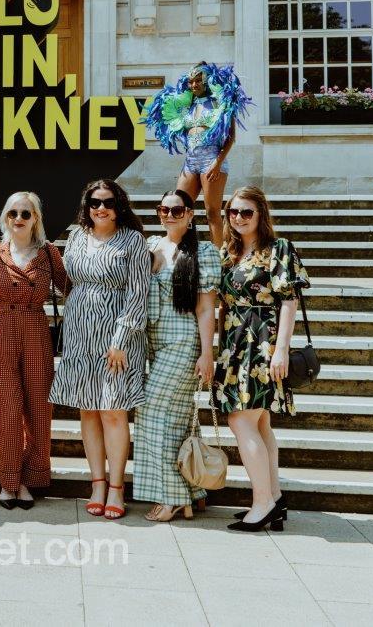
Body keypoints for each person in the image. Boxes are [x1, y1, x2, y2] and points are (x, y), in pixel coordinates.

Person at [49, 179, 149, 520]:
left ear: (119, 205)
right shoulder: (77, 236)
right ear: (86, 205)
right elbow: (66, 283)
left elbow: (138, 294)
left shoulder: (133, 240)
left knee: (113, 410)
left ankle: (117, 487)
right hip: (79, 334)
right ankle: (97, 483)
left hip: (116, 338)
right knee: (87, 410)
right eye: (94, 202)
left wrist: (120, 340)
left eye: (107, 201)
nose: (100, 208)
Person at [217, 185, 309, 532]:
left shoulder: (278, 249)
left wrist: (282, 348)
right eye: (233, 212)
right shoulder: (230, 252)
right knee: (260, 424)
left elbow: (288, 300)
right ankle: (274, 497)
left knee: (240, 421)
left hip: (262, 341)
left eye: (246, 212)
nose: (238, 218)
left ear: (261, 215)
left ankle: (262, 503)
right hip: (234, 342)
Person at [0, 191, 69, 510]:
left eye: (25, 213)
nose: (19, 219)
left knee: (39, 407)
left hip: (36, 330)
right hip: (2, 331)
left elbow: (70, 288)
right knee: (7, 407)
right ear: (5, 217)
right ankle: (9, 481)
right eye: (13, 213)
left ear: (36, 218)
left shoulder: (49, 253)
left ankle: (30, 478)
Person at [132, 189, 221, 522]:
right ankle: (189, 493)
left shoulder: (204, 252)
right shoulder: (153, 246)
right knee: (176, 419)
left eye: (177, 210)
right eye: (163, 209)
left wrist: (207, 353)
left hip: (184, 343)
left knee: (151, 410)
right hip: (154, 343)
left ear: (190, 214)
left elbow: (206, 307)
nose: (169, 215)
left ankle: (170, 497)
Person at [143, 62, 251, 246]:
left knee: (212, 212)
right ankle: (182, 251)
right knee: (179, 207)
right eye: (191, 81)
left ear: (208, 81)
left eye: (198, 81)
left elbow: (231, 137)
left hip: (212, 160)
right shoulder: (187, 105)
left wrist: (217, 163)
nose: (194, 85)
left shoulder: (221, 101)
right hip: (190, 162)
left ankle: (218, 258)